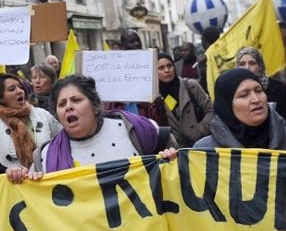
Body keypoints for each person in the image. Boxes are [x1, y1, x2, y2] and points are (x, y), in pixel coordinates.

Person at [29, 74, 178, 173]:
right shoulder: (45, 157)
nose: (68, 107)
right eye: (62, 104)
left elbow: (178, 164)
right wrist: (20, 178)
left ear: (95, 107)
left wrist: (170, 158)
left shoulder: (134, 129)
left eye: (76, 100)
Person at [193, 69, 286, 157]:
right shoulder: (205, 151)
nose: (256, 99)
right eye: (244, 95)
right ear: (227, 106)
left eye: (258, 90)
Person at [103, 29, 167, 125]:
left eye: (138, 40)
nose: (136, 44)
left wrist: (159, 108)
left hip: (146, 120)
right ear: (123, 46)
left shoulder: (149, 65)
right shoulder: (114, 70)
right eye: (132, 42)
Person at [157, 53, 213, 147]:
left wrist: (200, 130)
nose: (167, 70)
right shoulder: (154, 98)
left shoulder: (191, 86)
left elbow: (210, 110)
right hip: (174, 151)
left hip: (199, 145)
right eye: (161, 68)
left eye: (169, 66)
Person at [236, 47, 286, 127]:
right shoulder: (233, 90)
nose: (247, 67)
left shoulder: (278, 88)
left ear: (260, 66)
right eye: (242, 64)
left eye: (252, 63)